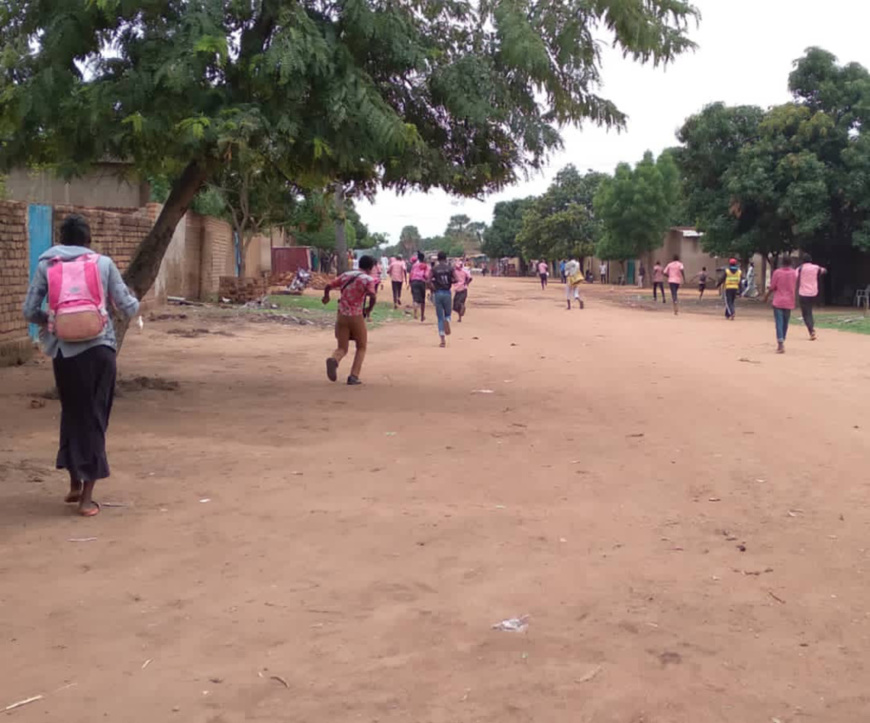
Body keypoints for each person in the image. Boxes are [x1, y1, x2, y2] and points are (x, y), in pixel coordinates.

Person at [22, 214, 140, 517]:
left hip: (65, 354)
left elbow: (29, 310)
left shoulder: (47, 265)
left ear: (61, 239)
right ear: (88, 240)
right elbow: (128, 306)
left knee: (73, 413)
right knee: (96, 417)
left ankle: (75, 483)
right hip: (100, 350)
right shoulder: (103, 264)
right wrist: (132, 302)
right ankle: (87, 499)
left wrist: (54, 321)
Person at [323, 255, 377, 386]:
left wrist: (326, 298)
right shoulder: (368, 279)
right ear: (370, 267)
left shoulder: (346, 275)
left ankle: (334, 359)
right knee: (361, 346)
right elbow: (372, 295)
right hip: (356, 315)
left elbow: (329, 285)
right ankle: (353, 376)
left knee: (342, 347)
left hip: (342, 314)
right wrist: (368, 309)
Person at [764, 257, 798, 354]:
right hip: (789, 301)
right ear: (791, 263)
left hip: (778, 301)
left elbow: (772, 287)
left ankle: (780, 342)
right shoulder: (794, 273)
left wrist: (766, 297)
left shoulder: (777, 273)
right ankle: (782, 339)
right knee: (785, 323)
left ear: (782, 263)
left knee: (779, 322)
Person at [796, 253, 827, 341]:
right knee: (809, 311)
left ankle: (811, 330)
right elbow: (824, 270)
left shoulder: (800, 268)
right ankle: (811, 329)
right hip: (813, 293)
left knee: (806, 313)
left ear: (803, 260)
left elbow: (794, 276)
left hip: (803, 293)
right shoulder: (816, 267)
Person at [430, 251, 456, 347]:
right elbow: (456, 279)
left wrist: (433, 287)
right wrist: (450, 280)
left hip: (438, 293)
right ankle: (448, 320)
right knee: (448, 314)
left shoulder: (434, 269)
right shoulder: (450, 268)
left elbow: (428, 280)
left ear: (438, 258)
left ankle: (442, 340)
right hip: (447, 293)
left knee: (439, 318)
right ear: (445, 258)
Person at [409, 251, 431, 322]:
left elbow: (411, 274)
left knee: (415, 298)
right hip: (421, 282)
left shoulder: (414, 265)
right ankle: (422, 316)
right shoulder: (425, 266)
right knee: (422, 300)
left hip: (413, 281)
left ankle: (415, 309)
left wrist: (410, 283)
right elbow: (427, 275)